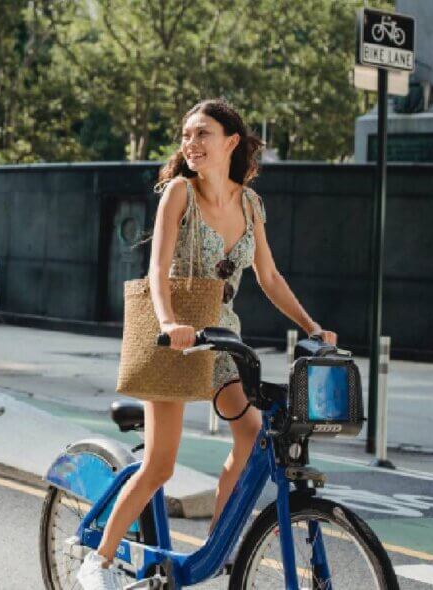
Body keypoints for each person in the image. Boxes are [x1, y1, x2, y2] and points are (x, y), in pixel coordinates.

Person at [77, 98, 337, 590]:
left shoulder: (250, 203)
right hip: (173, 335)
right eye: (186, 135)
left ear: (231, 141)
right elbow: (156, 268)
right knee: (160, 463)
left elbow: (270, 276)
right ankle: (99, 559)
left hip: (223, 336)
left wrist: (310, 325)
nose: (190, 144)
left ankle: (221, 544)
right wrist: (171, 321)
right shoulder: (180, 192)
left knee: (252, 435)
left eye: (202, 134)